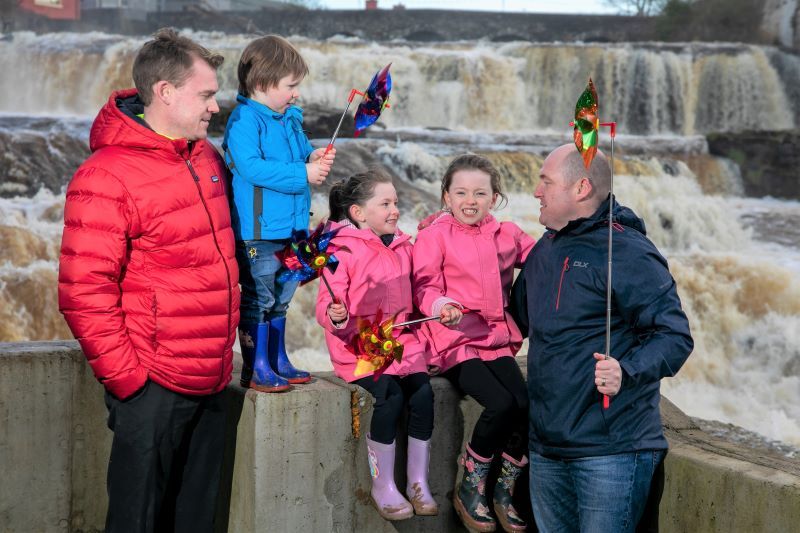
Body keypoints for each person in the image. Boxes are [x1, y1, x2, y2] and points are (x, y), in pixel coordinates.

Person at [57, 29, 239, 532]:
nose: (216, 106)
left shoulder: (205, 157)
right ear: (165, 91)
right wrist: (132, 385)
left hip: (211, 379)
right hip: (153, 385)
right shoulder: (105, 176)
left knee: (195, 522)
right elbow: (82, 291)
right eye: (205, 94)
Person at [510, 144, 694, 533]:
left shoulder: (627, 251)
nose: (536, 191)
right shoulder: (544, 249)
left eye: (546, 181)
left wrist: (626, 370)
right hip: (546, 448)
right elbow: (514, 323)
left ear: (580, 188)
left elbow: (674, 336)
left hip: (611, 452)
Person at [412, 154, 535, 533]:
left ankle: (503, 489)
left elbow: (542, 259)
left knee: (526, 404)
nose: (471, 200)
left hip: (494, 339)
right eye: (461, 192)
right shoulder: (435, 235)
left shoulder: (507, 234)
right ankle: (470, 486)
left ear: (494, 197)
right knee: (499, 403)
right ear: (446, 196)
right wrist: (442, 305)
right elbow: (424, 284)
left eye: (480, 193)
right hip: (456, 341)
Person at [316, 169, 437, 521]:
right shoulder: (341, 249)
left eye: (396, 202)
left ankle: (417, 480)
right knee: (390, 396)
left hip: (398, 343)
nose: (395, 209)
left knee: (423, 393)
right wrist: (336, 313)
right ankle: (382, 484)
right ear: (358, 212)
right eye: (385, 203)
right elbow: (325, 304)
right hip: (357, 348)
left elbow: (417, 296)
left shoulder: (403, 245)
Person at [223, 35, 335, 392]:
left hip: (291, 228)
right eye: (291, 86)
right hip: (258, 230)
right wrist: (302, 173)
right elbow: (251, 168)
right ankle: (256, 368)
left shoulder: (289, 119)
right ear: (261, 83)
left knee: (283, 295)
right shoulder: (244, 121)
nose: (296, 94)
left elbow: (301, 154)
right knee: (260, 297)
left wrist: (312, 158)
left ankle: (278, 360)